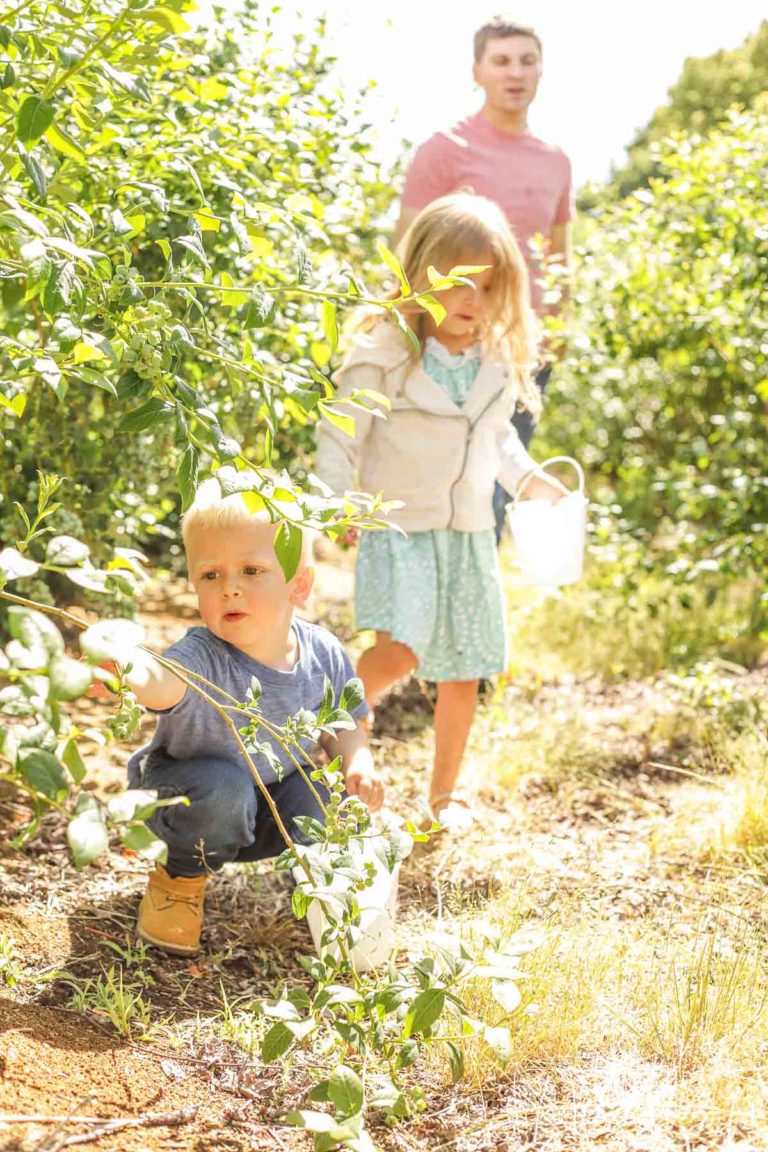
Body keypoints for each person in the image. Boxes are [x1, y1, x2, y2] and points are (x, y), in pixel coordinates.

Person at [315, 192, 566, 830]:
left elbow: (499, 439)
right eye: (457, 284)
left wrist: (533, 481)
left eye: (487, 287)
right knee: (400, 652)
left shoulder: (492, 360)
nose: (471, 302)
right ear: (420, 274)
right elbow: (341, 435)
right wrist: (339, 504)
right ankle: (328, 715)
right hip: (403, 529)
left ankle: (443, 796)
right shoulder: (387, 355)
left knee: (467, 666)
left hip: (469, 534)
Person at [122, 480, 383, 956]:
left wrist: (357, 761)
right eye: (211, 575)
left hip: (264, 805)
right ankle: (179, 879)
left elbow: (344, 723)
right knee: (224, 788)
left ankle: (323, 885)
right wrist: (132, 674)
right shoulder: (201, 654)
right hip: (187, 801)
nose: (231, 587)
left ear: (299, 586)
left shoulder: (322, 652)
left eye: (250, 569)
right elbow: (165, 681)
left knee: (320, 791)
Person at [394, 17, 574, 540]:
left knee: (504, 475)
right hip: (452, 341)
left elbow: (560, 253)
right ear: (478, 71)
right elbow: (408, 248)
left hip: (521, 344)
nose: (515, 72)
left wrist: (556, 329)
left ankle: (477, 600)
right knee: (450, 478)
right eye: (501, 61)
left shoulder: (556, 160)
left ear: (541, 69)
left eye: (526, 60)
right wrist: (410, 331)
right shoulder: (443, 150)